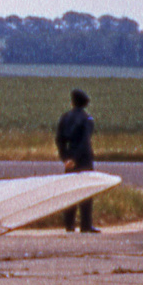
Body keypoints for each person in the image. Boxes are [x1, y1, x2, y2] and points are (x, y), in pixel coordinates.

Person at [55, 88, 97, 233]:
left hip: (69, 158)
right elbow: (85, 141)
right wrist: (76, 158)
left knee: (70, 190)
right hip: (83, 158)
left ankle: (69, 224)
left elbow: (59, 140)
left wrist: (65, 158)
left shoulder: (65, 118)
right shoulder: (87, 119)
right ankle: (86, 225)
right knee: (86, 190)